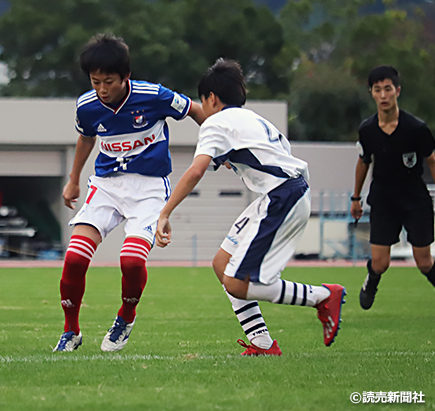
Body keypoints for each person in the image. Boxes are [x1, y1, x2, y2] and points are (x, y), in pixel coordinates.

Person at [156, 58, 346, 356]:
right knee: (222, 264)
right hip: (282, 194)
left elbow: (195, 171)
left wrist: (164, 212)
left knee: (237, 283)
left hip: (282, 197)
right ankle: (261, 342)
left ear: (212, 99)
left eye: (202, 102)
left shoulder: (215, 122)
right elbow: (281, 155)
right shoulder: (254, 120)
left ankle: (323, 296)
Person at [53, 34, 206, 352]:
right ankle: (71, 331)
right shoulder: (87, 106)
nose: (102, 89)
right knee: (74, 258)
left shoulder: (155, 96)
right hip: (107, 185)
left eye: (108, 81)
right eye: (95, 82)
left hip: (149, 188)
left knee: (132, 262)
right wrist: (73, 179)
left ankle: (126, 316)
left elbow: (195, 109)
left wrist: (223, 146)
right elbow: (85, 139)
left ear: (126, 77)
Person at [351, 65, 435, 309]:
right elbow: (363, 161)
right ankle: (371, 282)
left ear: (397, 91)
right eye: (378, 90)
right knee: (380, 263)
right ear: (372, 93)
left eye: (388, 89)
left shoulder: (417, 128)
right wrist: (356, 198)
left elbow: (431, 160)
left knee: (424, 262)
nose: (383, 95)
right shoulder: (367, 129)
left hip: (414, 199)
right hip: (384, 199)